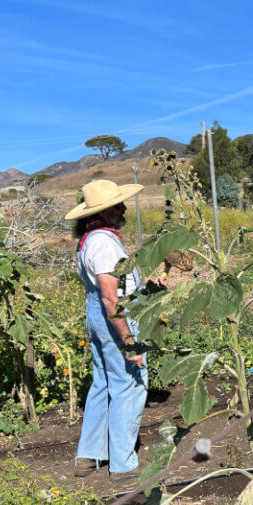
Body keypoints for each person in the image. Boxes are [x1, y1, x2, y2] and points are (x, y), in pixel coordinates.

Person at [65, 179, 148, 482]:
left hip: (96, 315)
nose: (124, 207)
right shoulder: (102, 242)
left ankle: (89, 455)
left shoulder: (90, 239)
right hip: (114, 315)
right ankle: (123, 464)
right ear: (103, 211)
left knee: (102, 382)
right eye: (118, 204)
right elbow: (111, 297)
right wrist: (130, 343)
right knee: (129, 383)